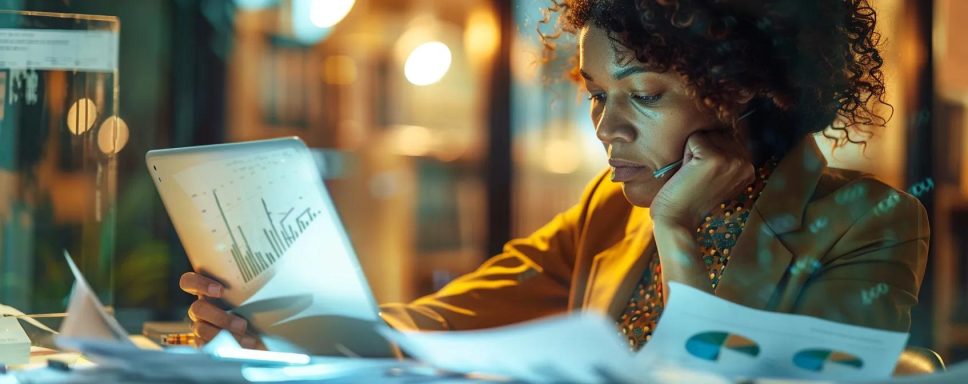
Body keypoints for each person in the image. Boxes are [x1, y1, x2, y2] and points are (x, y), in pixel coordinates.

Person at [180, 0, 928, 358]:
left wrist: (677, 235)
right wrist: (286, 329)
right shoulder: (611, 204)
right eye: (599, 94)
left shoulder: (871, 224)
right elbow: (446, 324)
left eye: (645, 94)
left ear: (741, 88)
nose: (607, 128)